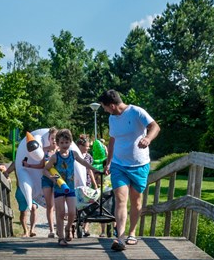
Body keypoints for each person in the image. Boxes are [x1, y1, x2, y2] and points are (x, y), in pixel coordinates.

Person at [98, 89, 160, 251]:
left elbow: (155, 126)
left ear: (112, 105)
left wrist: (148, 138)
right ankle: (120, 238)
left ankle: (132, 232)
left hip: (139, 165)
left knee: (136, 201)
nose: (104, 110)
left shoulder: (136, 112)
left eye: (104, 107)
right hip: (119, 165)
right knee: (120, 199)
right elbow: (112, 140)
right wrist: (109, 162)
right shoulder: (112, 118)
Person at [42, 129, 101, 247]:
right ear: (58, 143)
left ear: (70, 142)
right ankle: (61, 237)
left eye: (67, 142)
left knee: (72, 212)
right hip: (59, 188)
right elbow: (45, 170)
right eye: (62, 143)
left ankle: (68, 227)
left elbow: (83, 162)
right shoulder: (55, 157)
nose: (64, 145)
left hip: (70, 188)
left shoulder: (73, 154)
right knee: (60, 213)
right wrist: (52, 178)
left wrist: (93, 169)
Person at [0, 162, 37, 237]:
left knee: (34, 207)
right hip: (21, 189)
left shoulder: (32, 159)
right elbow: (6, 172)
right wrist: (7, 178)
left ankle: (32, 230)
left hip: (32, 189)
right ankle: (26, 231)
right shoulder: (17, 162)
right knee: (23, 212)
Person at [76, 135, 98, 237]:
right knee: (78, 205)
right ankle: (77, 222)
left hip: (87, 182)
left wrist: (95, 184)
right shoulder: (75, 155)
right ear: (80, 146)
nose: (88, 148)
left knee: (88, 204)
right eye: (86, 146)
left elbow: (90, 170)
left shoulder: (88, 157)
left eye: (89, 146)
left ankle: (86, 226)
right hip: (77, 183)